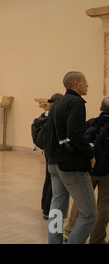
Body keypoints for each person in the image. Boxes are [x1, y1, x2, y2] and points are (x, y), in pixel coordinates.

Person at [44, 71, 96, 244]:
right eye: (85, 81)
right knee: (89, 214)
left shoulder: (57, 104)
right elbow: (75, 134)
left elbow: (49, 135)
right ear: (76, 84)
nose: (87, 85)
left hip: (54, 163)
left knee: (57, 209)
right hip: (70, 164)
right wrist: (90, 154)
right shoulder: (76, 103)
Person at [64, 96, 109, 244]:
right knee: (104, 206)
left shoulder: (91, 122)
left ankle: (70, 233)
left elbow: (79, 140)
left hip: (88, 168)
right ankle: (97, 239)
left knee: (81, 202)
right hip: (107, 172)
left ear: (101, 108)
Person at [36, 93, 63, 220]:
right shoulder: (56, 117)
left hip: (48, 151)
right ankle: (48, 209)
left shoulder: (46, 115)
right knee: (53, 181)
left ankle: (45, 206)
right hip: (54, 152)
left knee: (49, 179)